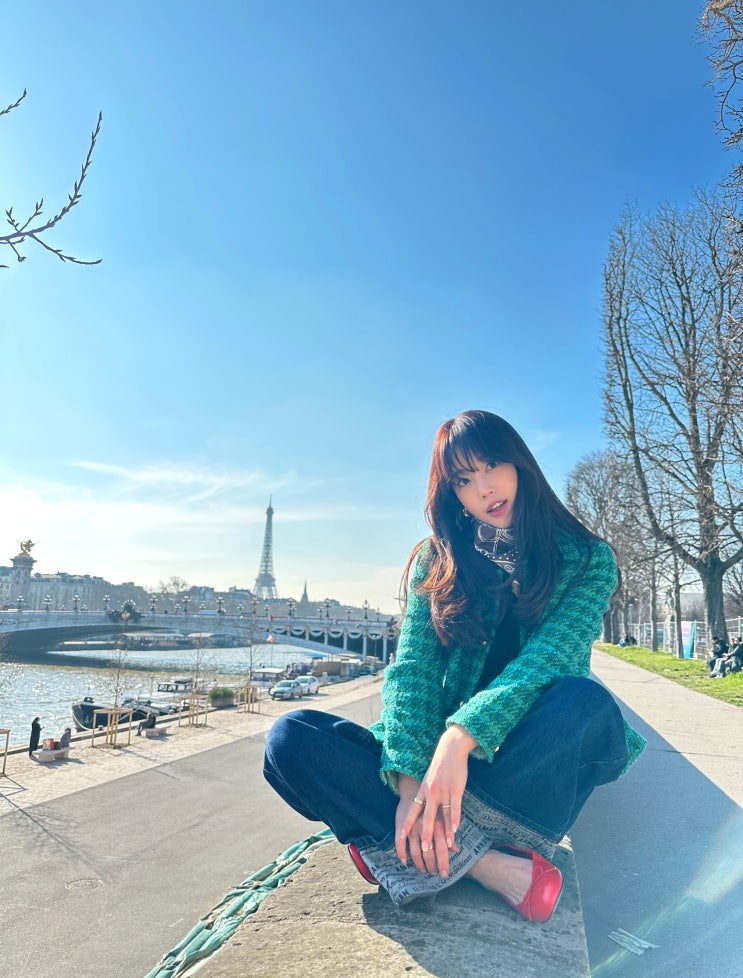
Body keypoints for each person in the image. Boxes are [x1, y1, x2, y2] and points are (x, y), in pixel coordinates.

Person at [264, 410, 646, 921]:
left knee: (585, 702)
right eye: (464, 480)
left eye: (491, 465)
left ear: (520, 464)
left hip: (519, 771)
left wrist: (459, 739)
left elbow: (546, 662)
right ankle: (486, 865)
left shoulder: (588, 559)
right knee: (288, 739)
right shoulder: (438, 559)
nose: (484, 489)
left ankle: (396, 847)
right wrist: (408, 782)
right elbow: (414, 671)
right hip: (435, 774)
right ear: (453, 494)